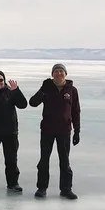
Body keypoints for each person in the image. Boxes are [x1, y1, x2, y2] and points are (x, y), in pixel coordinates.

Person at [29, 63, 80, 200]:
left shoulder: (72, 90)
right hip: (47, 130)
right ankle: (42, 188)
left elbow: (76, 111)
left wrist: (77, 131)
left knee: (65, 161)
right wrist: (42, 91)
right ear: (52, 74)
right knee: (44, 160)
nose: (59, 73)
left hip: (64, 131)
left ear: (65, 74)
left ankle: (66, 189)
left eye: (61, 71)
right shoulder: (47, 88)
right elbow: (32, 103)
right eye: (56, 71)